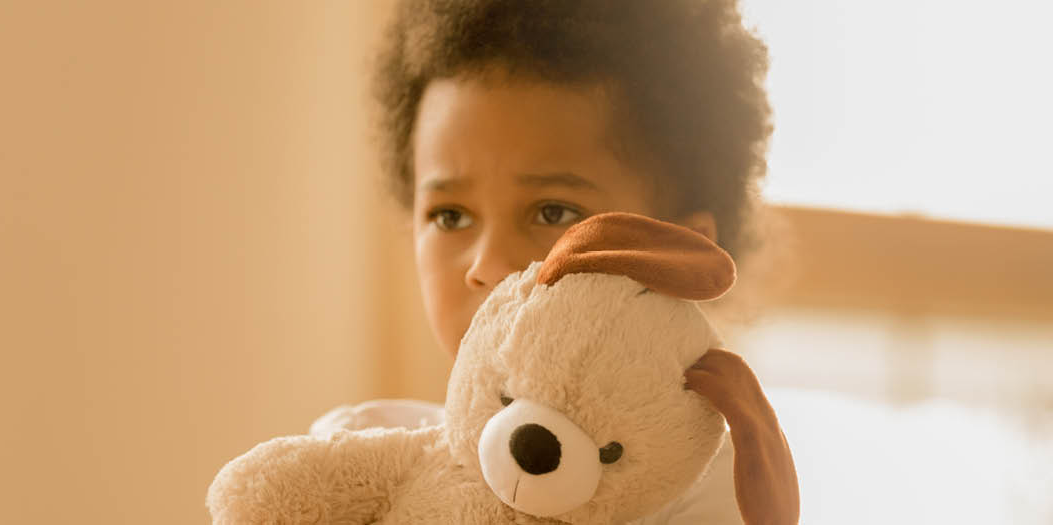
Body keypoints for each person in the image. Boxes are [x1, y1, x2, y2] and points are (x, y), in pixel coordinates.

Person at [312, 1, 800, 523]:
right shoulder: (363, 455)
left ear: (680, 253)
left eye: (552, 211)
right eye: (450, 216)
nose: (490, 265)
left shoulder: (716, 492)